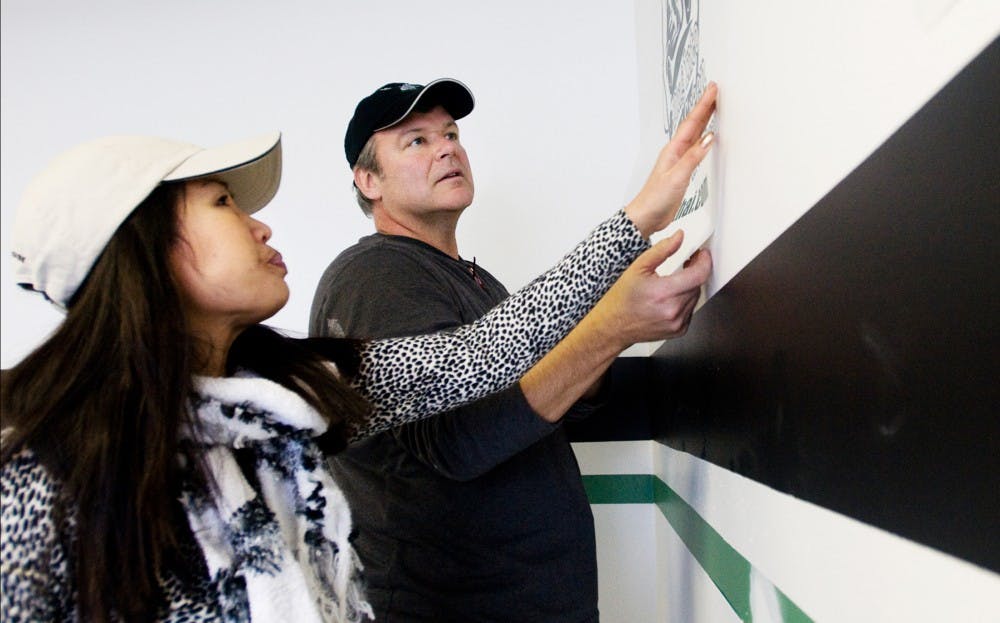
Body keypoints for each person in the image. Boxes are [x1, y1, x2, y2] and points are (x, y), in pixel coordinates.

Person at [0, 93, 715, 623]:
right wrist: (631, 243)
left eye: (450, 133)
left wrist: (640, 219)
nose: (260, 222)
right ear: (142, 247)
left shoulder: (295, 392)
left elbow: (476, 356)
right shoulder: (46, 467)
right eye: (221, 202)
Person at [309, 79, 717, 621]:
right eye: (417, 141)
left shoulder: (475, 281)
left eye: (451, 134)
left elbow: (543, 405)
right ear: (368, 180)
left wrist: (606, 336)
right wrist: (611, 326)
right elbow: (461, 440)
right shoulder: (373, 277)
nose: (448, 147)